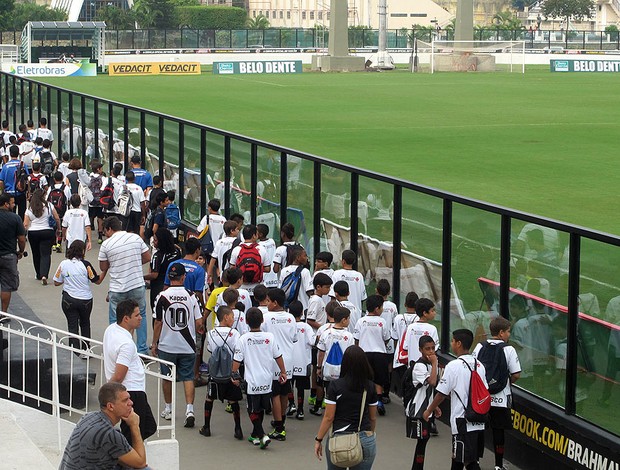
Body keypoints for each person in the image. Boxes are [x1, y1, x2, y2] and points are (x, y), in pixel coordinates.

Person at [423, 329, 487, 470]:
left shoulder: (453, 366)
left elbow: (441, 393)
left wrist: (429, 410)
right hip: (478, 419)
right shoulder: (479, 365)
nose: (451, 343)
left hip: (461, 420)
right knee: (459, 457)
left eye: (452, 341)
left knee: (469, 462)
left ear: (458, 343)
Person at [152, 262, 204, 428]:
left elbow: (158, 322)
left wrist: (154, 343)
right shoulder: (191, 296)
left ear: (169, 277)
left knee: (167, 377)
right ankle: (189, 410)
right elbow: (198, 322)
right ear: (184, 277)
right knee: (188, 376)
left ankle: (168, 408)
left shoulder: (162, 296)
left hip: (167, 345)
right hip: (187, 345)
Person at [313, 345, 378, 470]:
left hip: (339, 439)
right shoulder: (370, 387)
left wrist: (318, 439)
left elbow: (328, 417)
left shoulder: (335, 386)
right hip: (364, 437)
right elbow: (372, 417)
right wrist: (371, 433)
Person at [231, 307, 288, 450]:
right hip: (267, 380)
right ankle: (256, 434)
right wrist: (283, 372)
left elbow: (237, 361)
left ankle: (262, 434)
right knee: (261, 408)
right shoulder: (270, 337)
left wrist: (234, 374)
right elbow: (278, 356)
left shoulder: (243, 339)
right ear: (262, 321)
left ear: (247, 322)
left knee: (252, 410)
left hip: (252, 381)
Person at [103, 299, 157, 445]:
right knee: (132, 435)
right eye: (137, 315)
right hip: (132, 392)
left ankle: (122, 451)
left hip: (134, 390)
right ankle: (124, 459)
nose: (141, 318)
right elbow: (119, 375)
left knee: (149, 427)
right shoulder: (126, 344)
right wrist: (108, 392)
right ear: (126, 318)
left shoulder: (111, 330)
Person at [58, 382, 149, 470]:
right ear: (110, 406)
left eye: (129, 398)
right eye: (125, 400)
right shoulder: (108, 433)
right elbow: (141, 463)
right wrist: (134, 426)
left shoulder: (89, 416)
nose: (131, 403)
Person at [472, 317, 521, 470]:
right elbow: (516, 374)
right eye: (508, 332)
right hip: (501, 398)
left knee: (478, 429)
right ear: (501, 333)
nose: (509, 335)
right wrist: (506, 382)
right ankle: (498, 465)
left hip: (482, 398)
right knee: (498, 431)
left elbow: (473, 369)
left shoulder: (480, 346)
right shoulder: (508, 349)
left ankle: (476, 461)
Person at [98, 216, 151, 354]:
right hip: (137, 284)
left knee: (116, 319)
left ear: (109, 229)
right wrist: (133, 263)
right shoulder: (135, 238)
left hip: (117, 288)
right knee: (141, 315)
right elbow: (147, 257)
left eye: (105, 231)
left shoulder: (106, 244)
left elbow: (103, 266)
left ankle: (116, 348)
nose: (105, 234)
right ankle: (142, 350)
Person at [200, 306, 243, 439]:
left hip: (215, 372)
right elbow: (238, 350)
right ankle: (238, 428)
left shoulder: (211, 333)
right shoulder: (234, 333)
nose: (233, 319)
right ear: (225, 317)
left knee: (210, 398)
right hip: (229, 372)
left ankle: (206, 426)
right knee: (233, 401)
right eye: (231, 316)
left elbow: (210, 349)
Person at [53, 240, 103, 354]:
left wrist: (68, 278)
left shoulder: (63, 264)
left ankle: (74, 351)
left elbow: (56, 281)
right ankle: (86, 349)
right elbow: (96, 280)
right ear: (82, 251)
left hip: (68, 299)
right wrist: (105, 271)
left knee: (72, 325)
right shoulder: (86, 265)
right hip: (85, 300)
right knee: (85, 323)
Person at [262, 287, 298, 441]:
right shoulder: (291, 318)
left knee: (275, 394)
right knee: (284, 391)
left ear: (275, 303)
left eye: (268, 301)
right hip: (288, 360)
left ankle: (279, 427)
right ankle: (281, 419)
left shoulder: (266, 317)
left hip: (274, 360)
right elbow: (294, 338)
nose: (266, 303)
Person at [353, 294, 391, 416]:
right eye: (381, 308)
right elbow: (386, 338)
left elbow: (356, 339)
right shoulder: (382, 322)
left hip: (364, 353)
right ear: (376, 308)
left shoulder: (361, 321)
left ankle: (363, 402)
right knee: (378, 380)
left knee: (365, 378)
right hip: (379, 353)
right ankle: (379, 401)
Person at [405, 335, 438, 470]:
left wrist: (434, 407)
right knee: (422, 441)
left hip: (427, 409)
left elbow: (430, 389)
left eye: (432, 348)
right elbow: (432, 382)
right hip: (418, 410)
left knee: (424, 441)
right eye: (427, 349)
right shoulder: (419, 366)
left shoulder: (429, 365)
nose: (431, 352)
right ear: (420, 350)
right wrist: (435, 364)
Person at [316, 305, 355, 415]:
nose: (349, 321)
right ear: (343, 320)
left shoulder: (326, 333)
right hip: (343, 372)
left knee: (329, 392)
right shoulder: (349, 336)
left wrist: (319, 368)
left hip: (328, 370)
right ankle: (340, 412)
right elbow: (350, 355)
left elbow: (321, 353)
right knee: (342, 393)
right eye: (348, 318)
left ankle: (329, 413)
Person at [23, 188, 60, 285]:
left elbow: (26, 224)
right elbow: (56, 218)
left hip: (33, 232)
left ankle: (38, 274)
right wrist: (59, 229)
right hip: (47, 231)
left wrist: (23, 235)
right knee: (46, 254)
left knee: (36, 254)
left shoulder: (30, 208)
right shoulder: (49, 205)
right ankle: (44, 275)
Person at [0, 193, 27, 318]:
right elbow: (21, 239)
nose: (14, 204)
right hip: (8, 256)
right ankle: (4, 313)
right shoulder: (15, 218)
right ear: (6, 204)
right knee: (6, 286)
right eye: (12, 202)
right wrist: (21, 251)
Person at [287, 300, 315, 420]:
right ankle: (300, 410)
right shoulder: (306, 327)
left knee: (289, 384)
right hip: (303, 362)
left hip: (289, 361)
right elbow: (313, 342)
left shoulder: (288, 326)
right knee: (301, 388)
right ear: (302, 313)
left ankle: (291, 403)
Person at [144, 228, 181, 317]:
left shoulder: (157, 256)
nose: (153, 242)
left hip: (158, 288)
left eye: (155, 240)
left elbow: (154, 275)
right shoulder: (177, 251)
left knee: (157, 315)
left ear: (162, 241)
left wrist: (141, 277)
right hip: (175, 286)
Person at [229, 224, 272, 297]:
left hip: (241, 289)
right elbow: (268, 269)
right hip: (257, 290)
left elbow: (232, 268)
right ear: (254, 236)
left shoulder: (237, 249)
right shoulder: (261, 249)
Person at [0, 144, 28, 219]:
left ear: (10, 153)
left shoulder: (5, 166)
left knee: (10, 216)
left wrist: (3, 192)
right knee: (22, 214)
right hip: (21, 192)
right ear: (18, 153)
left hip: (9, 194)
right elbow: (27, 179)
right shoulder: (22, 164)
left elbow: (1, 181)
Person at [124, 170, 147, 235]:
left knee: (127, 231)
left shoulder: (123, 188)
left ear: (126, 179)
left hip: (126, 212)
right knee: (136, 231)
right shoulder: (139, 188)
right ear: (134, 178)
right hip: (137, 212)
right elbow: (142, 202)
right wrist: (144, 214)